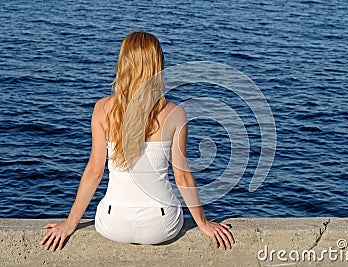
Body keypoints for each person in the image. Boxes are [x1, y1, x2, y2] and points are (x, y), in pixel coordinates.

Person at [40, 31, 234, 251]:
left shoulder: (103, 110)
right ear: (158, 66)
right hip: (161, 225)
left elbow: (94, 171)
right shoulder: (175, 113)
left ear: (123, 63)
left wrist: (70, 222)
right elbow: (182, 176)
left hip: (113, 223)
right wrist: (203, 223)